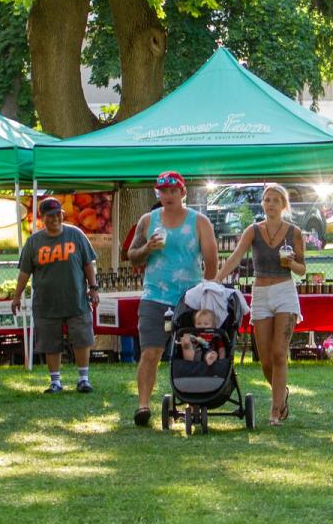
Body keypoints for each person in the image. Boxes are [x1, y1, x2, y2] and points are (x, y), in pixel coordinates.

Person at [126, 171, 218, 426]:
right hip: (154, 296)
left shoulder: (199, 222)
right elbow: (132, 255)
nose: (167, 196)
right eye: (162, 192)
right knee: (150, 352)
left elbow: (211, 262)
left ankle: (192, 400)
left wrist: (206, 292)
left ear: (182, 192)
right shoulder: (148, 220)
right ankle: (143, 405)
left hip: (189, 298)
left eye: (172, 191)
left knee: (190, 350)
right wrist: (147, 248)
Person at [212, 184, 306, 424]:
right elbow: (234, 257)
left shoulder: (294, 232)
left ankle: (276, 410)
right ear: (262, 204)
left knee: (278, 354)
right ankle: (281, 393)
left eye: (275, 200)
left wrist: (291, 264)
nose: (270, 204)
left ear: (283, 205)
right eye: (267, 200)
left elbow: (302, 270)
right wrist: (216, 280)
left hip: (285, 291)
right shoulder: (252, 230)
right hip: (261, 293)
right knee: (265, 360)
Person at [12, 198, 99, 394]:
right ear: (42, 218)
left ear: (62, 214)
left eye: (57, 214)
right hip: (46, 302)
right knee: (50, 342)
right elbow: (24, 272)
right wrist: (17, 296)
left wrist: (93, 288)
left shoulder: (75, 234)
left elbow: (88, 264)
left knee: (82, 337)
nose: (54, 219)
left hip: (76, 298)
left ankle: (83, 379)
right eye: (50, 216)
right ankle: (55, 382)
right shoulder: (34, 242)